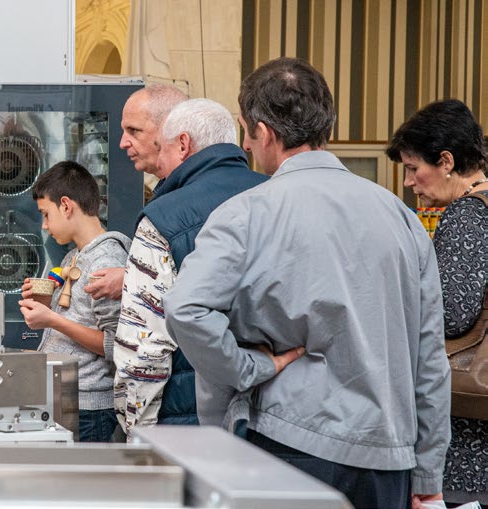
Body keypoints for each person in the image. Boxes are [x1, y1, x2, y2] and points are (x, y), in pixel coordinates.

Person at [164, 57, 449, 508]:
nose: (246, 144)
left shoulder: (246, 214)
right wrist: (428, 471)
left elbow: (185, 309)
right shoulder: (403, 217)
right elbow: (429, 354)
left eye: (246, 132)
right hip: (388, 457)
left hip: (289, 444)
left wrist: (249, 368)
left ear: (264, 133)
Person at [112, 99, 268, 438]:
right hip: (273, 418)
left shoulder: (163, 217)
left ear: (183, 145)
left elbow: (143, 347)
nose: (159, 163)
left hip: (188, 424)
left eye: (162, 148)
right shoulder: (277, 198)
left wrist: (136, 431)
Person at [387, 99, 488, 506]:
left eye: (413, 168)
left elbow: (450, 314)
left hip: (471, 436)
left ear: (446, 161)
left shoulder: (467, 214)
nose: (408, 182)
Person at [17, 161, 129, 442]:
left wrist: (53, 320)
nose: (44, 226)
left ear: (66, 206)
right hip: (69, 398)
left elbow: (115, 344)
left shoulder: (106, 261)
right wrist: (45, 302)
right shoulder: (73, 257)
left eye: (46, 214)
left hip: (90, 407)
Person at [84, 83, 188, 302]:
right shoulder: (169, 193)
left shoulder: (190, 199)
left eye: (134, 131)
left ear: (168, 130)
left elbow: (195, 284)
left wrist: (128, 279)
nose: (122, 143)